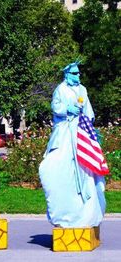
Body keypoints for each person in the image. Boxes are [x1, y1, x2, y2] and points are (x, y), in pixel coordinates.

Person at [39, 62, 108, 228]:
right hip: (64, 133)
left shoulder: (82, 89)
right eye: (75, 73)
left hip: (80, 133)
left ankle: (86, 214)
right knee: (53, 167)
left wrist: (86, 122)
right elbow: (56, 107)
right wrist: (68, 108)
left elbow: (89, 111)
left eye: (79, 73)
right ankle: (64, 212)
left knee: (86, 172)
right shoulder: (60, 89)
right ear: (67, 74)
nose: (78, 76)